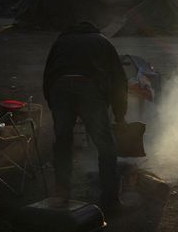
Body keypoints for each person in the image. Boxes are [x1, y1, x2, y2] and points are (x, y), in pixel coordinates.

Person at [43, 21, 128, 212]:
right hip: (89, 88)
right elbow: (119, 80)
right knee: (106, 145)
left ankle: (62, 196)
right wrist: (119, 115)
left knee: (63, 142)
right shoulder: (102, 41)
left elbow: (48, 74)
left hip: (59, 88)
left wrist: (54, 104)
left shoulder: (60, 42)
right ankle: (110, 200)